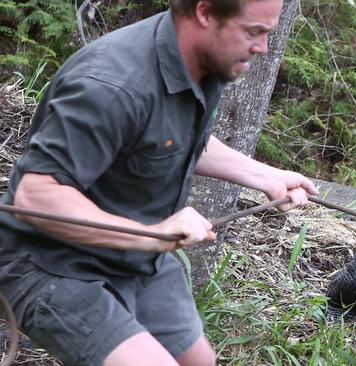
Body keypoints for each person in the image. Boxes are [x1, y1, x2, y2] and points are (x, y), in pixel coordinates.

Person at [0, 0, 317, 365]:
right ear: (205, 12)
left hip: (137, 257)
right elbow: (36, 195)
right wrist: (153, 233)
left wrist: (267, 177)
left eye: (267, 33)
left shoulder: (202, 61)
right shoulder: (111, 83)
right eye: (253, 32)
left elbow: (171, 137)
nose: (262, 47)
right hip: (51, 262)